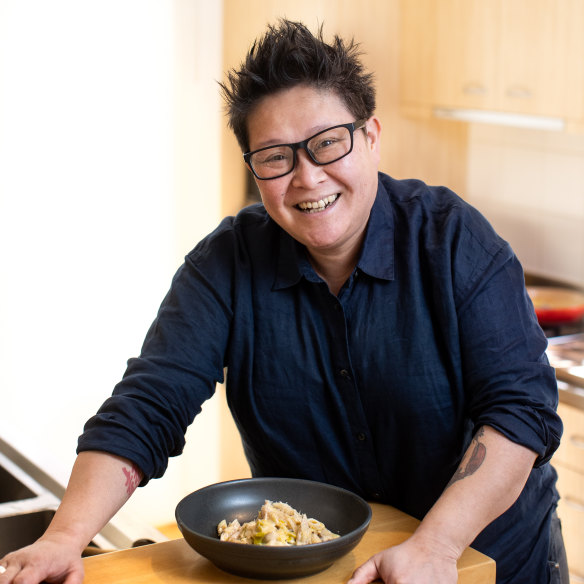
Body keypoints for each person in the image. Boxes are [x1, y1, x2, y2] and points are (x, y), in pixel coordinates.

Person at [0, 19, 568, 584]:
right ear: (254, 169)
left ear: (370, 137)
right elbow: (149, 406)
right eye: (275, 157)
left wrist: (438, 548)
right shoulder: (225, 265)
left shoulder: (454, 242)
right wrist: (64, 538)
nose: (307, 177)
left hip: (484, 561)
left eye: (327, 144)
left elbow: (522, 411)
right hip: (322, 570)